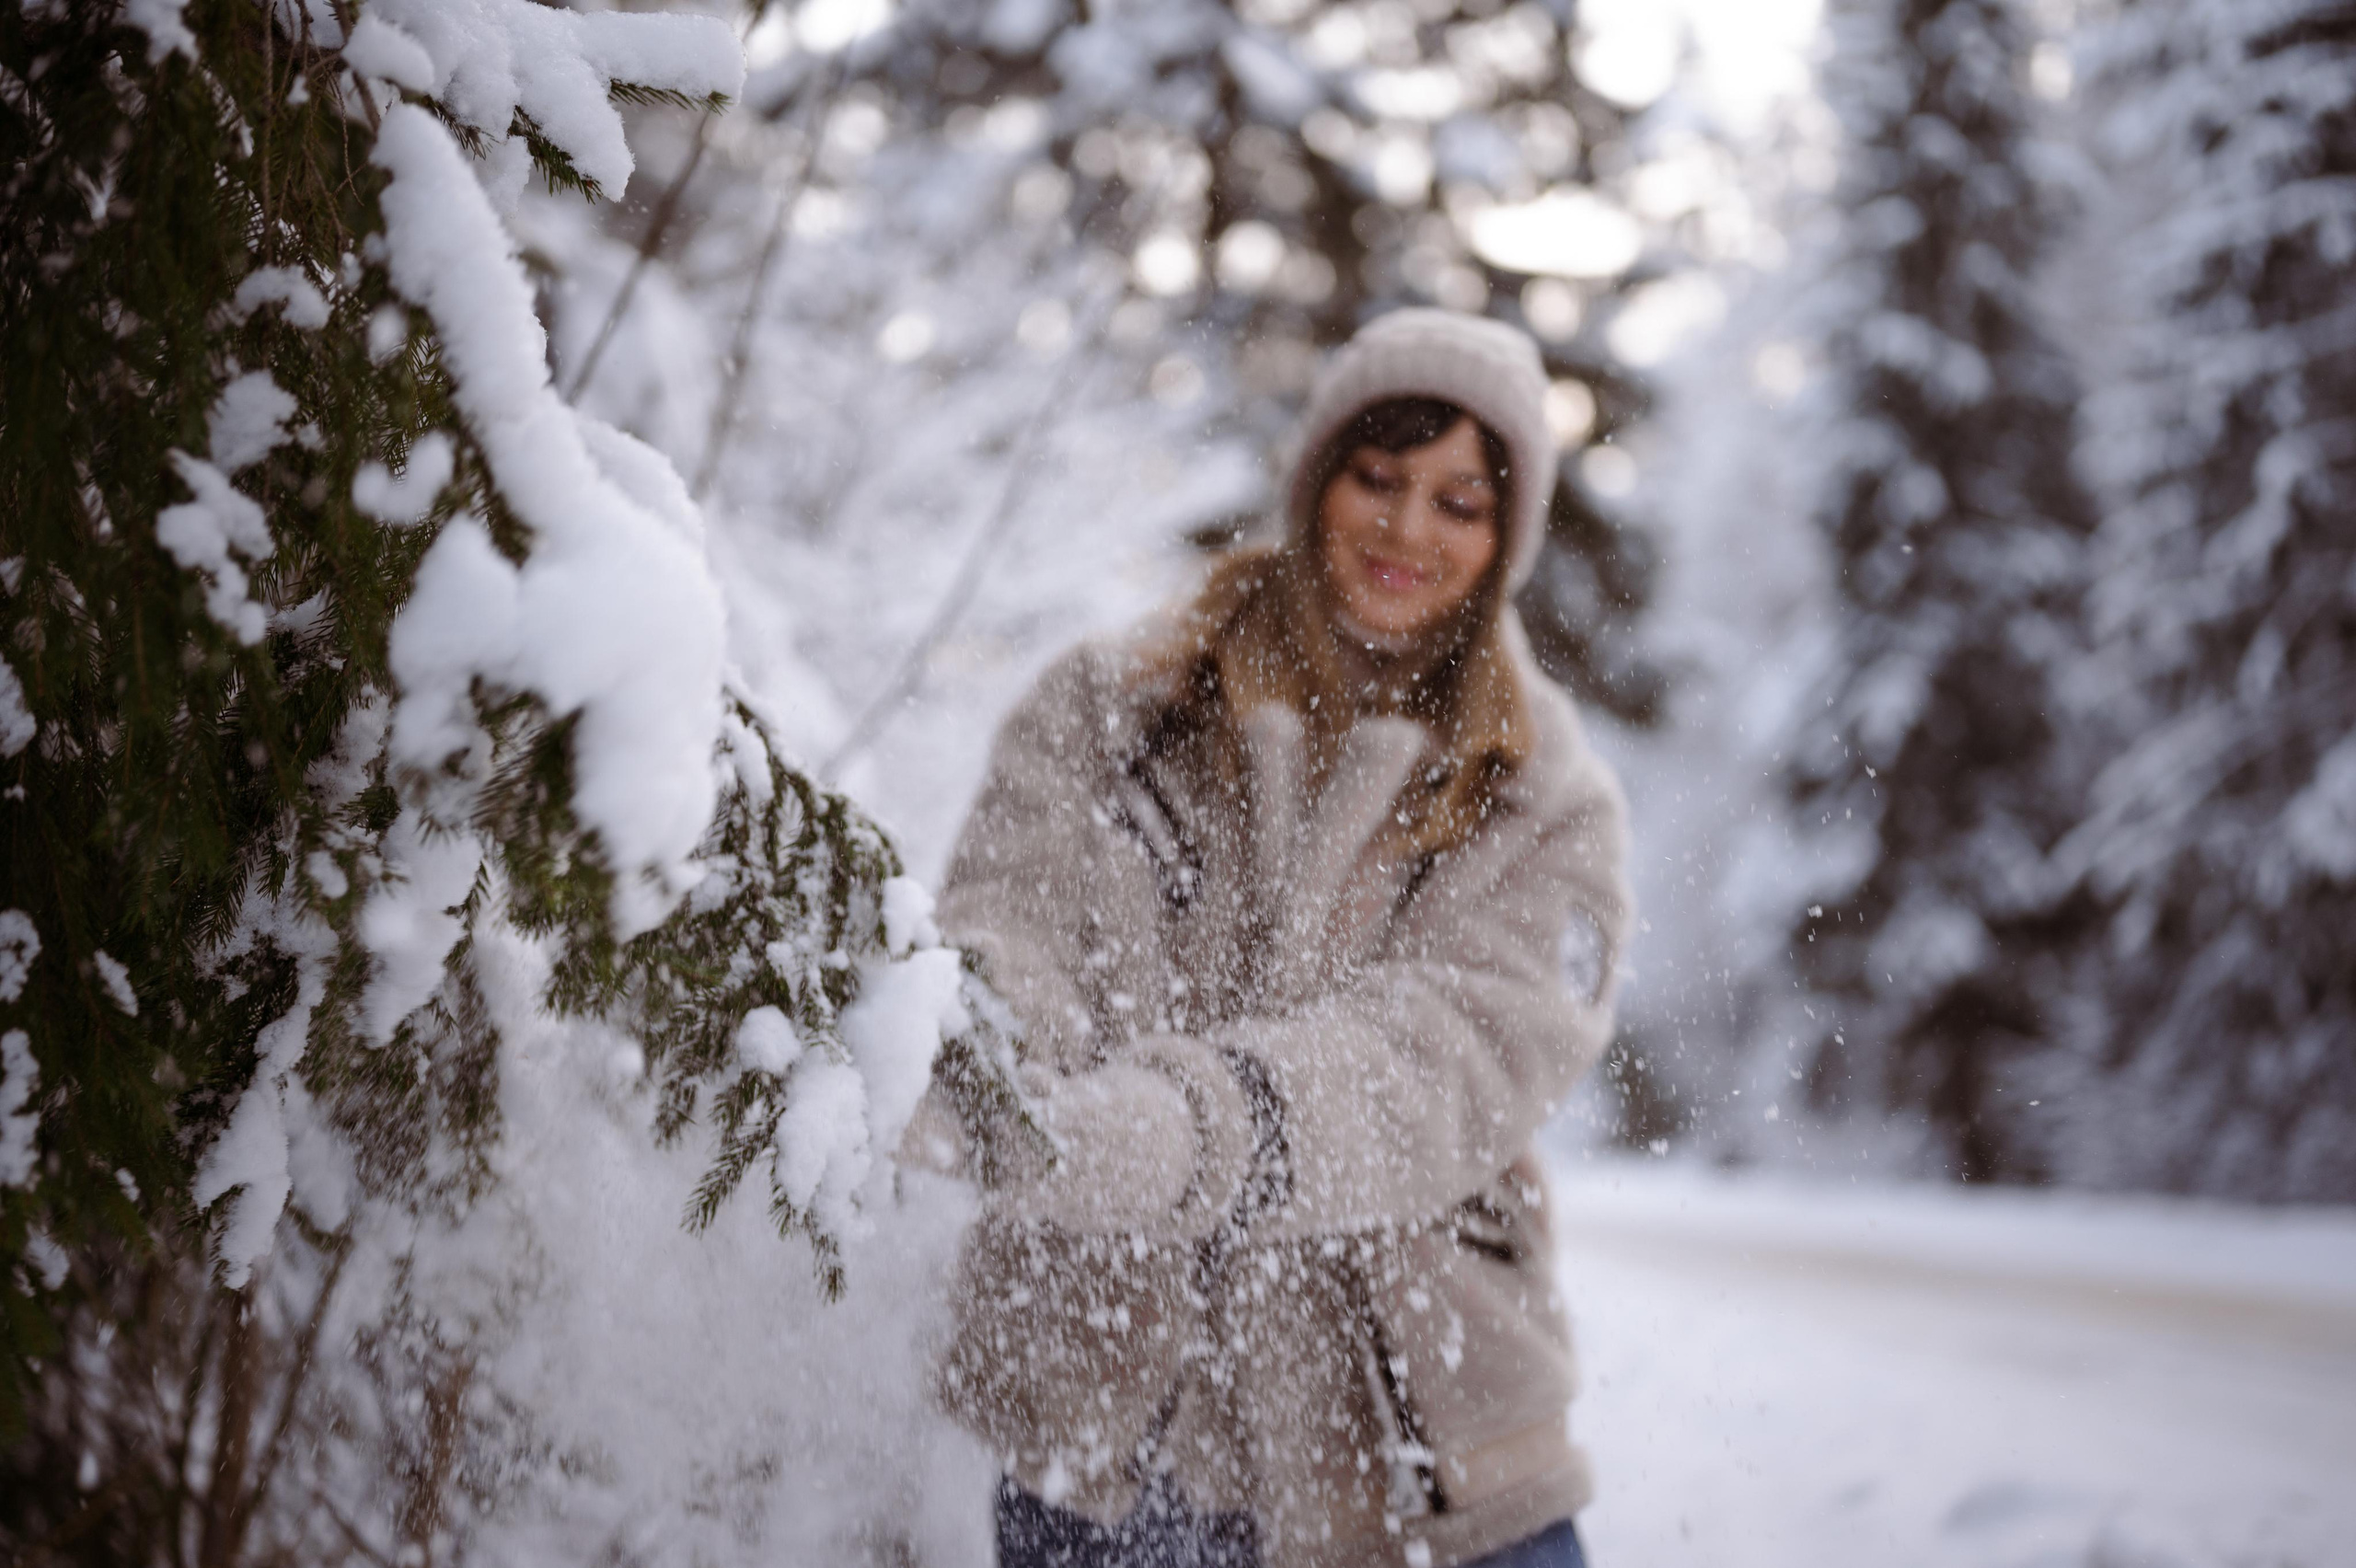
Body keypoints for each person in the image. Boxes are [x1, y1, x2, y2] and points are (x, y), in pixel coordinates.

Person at [915, 308, 1631, 1568]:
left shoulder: (1544, 795)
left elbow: (1444, 1065)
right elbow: (1001, 934)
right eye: (1381, 478)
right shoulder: (1108, 707)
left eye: (1463, 501)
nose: (1410, 530)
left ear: (1506, 536)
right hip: (1104, 1408)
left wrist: (1181, 1132)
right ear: (1317, 480)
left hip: (1418, 1428)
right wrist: (997, 1088)